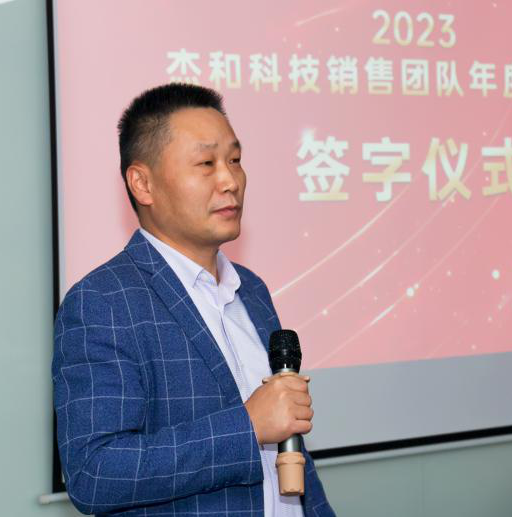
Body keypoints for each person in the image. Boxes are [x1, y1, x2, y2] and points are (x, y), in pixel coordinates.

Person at [52, 83, 335, 517]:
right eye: (206, 163)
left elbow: (290, 449)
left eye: (235, 160)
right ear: (142, 183)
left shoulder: (251, 289)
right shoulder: (103, 302)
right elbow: (95, 473)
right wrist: (247, 427)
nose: (230, 181)